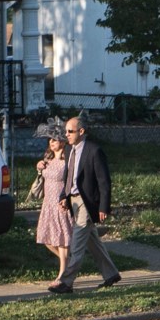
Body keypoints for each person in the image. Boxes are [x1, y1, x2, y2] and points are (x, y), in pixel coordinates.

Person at [51, 114, 120, 294]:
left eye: (70, 131)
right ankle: (111, 273)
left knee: (77, 243)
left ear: (81, 131)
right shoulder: (69, 150)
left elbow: (104, 182)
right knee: (92, 240)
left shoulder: (93, 151)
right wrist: (63, 196)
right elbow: (68, 177)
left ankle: (66, 282)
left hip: (87, 203)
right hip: (73, 200)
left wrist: (104, 207)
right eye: (65, 131)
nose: (66, 135)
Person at [32, 136, 76, 287]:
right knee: (46, 238)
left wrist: (67, 199)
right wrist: (39, 168)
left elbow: (71, 181)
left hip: (60, 203)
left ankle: (62, 275)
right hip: (48, 203)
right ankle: (69, 264)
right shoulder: (47, 159)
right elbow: (42, 177)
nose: (51, 143)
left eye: (55, 140)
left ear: (63, 143)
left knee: (62, 239)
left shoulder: (68, 160)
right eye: (50, 140)